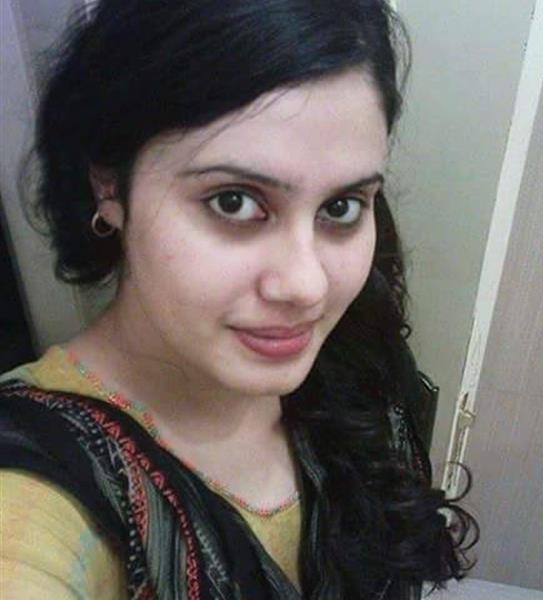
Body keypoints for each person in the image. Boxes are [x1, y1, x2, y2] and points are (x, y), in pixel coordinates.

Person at [0, 0, 478, 598]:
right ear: (110, 184)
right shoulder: (36, 490)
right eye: (234, 201)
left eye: (340, 207)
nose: (307, 286)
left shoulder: (351, 350)